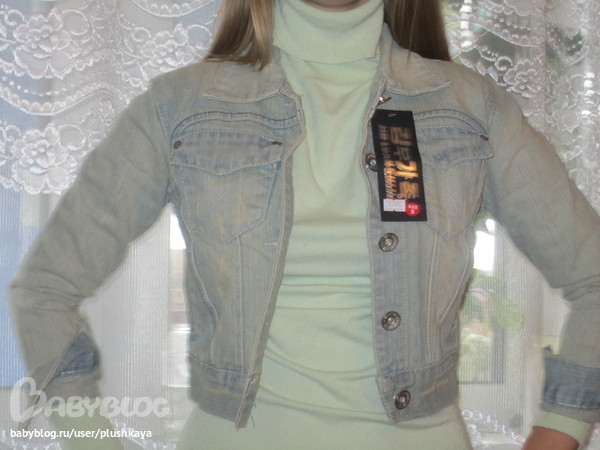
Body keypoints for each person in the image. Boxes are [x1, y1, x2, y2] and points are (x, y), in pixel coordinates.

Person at [9, 0, 600, 448]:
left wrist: (561, 428)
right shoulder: (181, 106)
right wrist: (89, 439)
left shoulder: (472, 107)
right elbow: (44, 290)